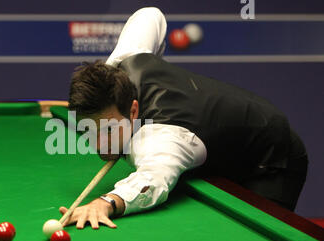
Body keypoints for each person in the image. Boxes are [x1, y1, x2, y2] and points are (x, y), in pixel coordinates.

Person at [60, 7, 308, 229]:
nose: (99, 145)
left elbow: (153, 181)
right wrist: (115, 67)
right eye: (90, 131)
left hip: (270, 157)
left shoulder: (162, 138)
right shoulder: (126, 61)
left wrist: (106, 203)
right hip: (218, 137)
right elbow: (149, 14)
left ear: (133, 111)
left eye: (109, 130)